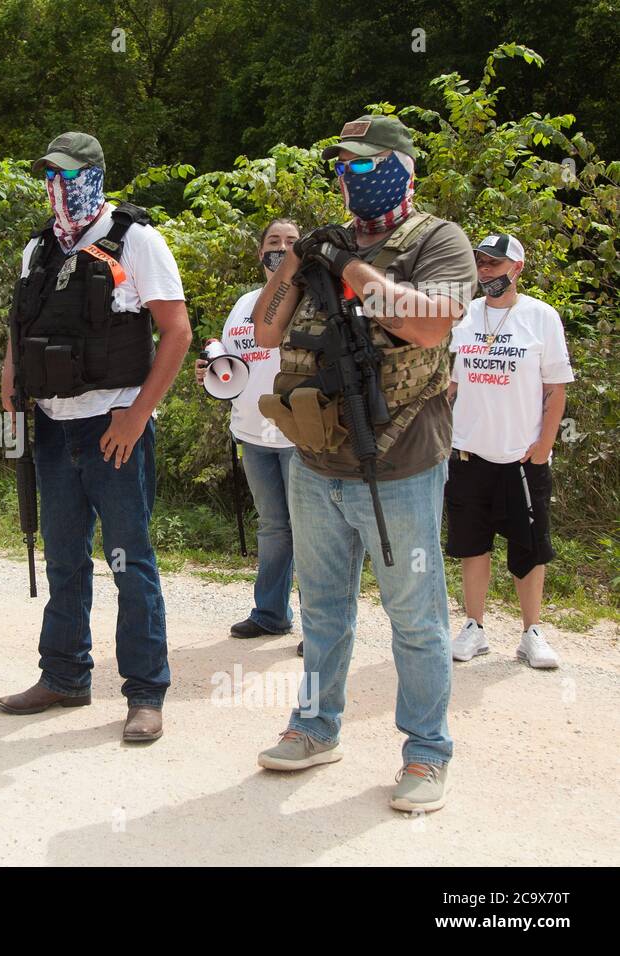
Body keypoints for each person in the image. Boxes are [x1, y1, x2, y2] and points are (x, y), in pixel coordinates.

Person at [252, 115, 477, 813]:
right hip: (315, 460)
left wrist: (349, 265)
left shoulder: (438, 239)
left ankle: (426, 752)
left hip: (401, 462)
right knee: (321, 611)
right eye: (343, 163)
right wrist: (298, 259)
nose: (350, 174)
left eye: (365, 162)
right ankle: (316, 728)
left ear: (401, 167)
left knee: (415, 619)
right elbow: (265, 329)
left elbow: (426, 323)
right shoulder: (326, 240)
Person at [0, 132, 192, 743]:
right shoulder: (38, 248)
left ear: (95, 174)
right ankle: (63, 675)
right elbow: (19, 323)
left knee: (129, 561)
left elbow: (177, 333)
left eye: (68, 174)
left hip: (114, 425)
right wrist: (9, 377)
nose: (57, 186)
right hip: (52, 425)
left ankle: (145, 692)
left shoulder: (135, 239)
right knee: (63, 559)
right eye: (49, 175)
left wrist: (136, 416)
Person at [446, 233, 573, 669]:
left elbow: (555, 390)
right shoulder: (464, 316)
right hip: (469, 453)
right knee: (471, 544)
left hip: (522, 457)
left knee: (529, 546)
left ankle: (531, 631)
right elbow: (452, 381)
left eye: (495, 265)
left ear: (516, 268)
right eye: (480, 263)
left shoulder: (541, 317)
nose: (486, 272)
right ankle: (474, 627)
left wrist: (543, 447)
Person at [196, 218, 300, 649]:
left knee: (313, 531)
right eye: (272, 241)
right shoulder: (243, 304)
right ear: (260, 253)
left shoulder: (311, 299)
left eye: (291, 242)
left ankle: (321, 625)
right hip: (251, 434)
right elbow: (229, 365)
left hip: (301, 437)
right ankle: (271, 614)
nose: (280, 247)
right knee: (274, 527)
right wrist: (209, 370)